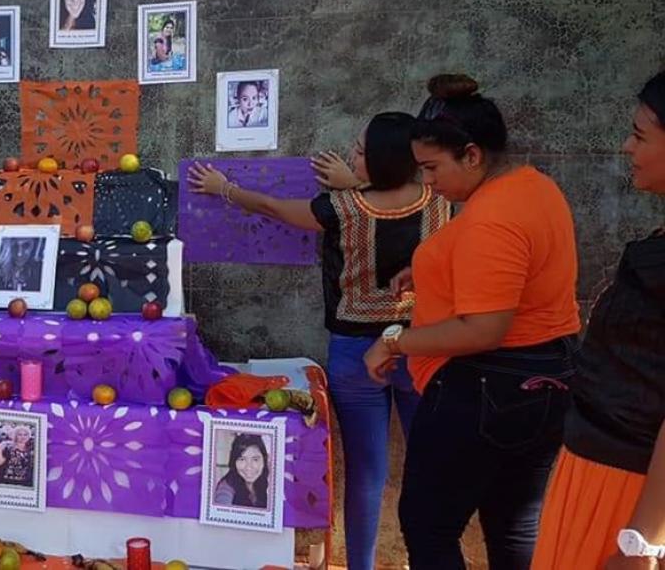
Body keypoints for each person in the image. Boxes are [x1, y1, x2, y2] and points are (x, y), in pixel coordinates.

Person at [188, 111, 449, 570]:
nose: (352, 154)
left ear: (384, 161)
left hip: (354, 352)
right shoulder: (438, 202)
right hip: (421, 345)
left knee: (368, 474)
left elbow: (273, 209)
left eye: (362, 151)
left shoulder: (341, 208)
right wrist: (356, 180)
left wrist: (223, 188)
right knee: (428, 466)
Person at [363, 75, 580, 569]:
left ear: (473, 155)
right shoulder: (534, 188)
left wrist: (396, 341)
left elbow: (484, 328)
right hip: (547, 378)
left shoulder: (492, 218)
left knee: (428, 523)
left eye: (432, 168)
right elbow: (512, 274)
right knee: (512, 524)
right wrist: (425, 271)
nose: (428, 182)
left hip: (487, 383)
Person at [531, 71, 665, 569]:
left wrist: (642, 541)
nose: (627, 147)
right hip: (594, 471)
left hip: (628, 493)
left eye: (641, 135)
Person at [213, 434, 270, 509]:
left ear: (264, 460)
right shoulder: (226, 487)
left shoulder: (265, 482)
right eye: (242, 459)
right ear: (234, 461)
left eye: (255, 459)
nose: (249, 467)